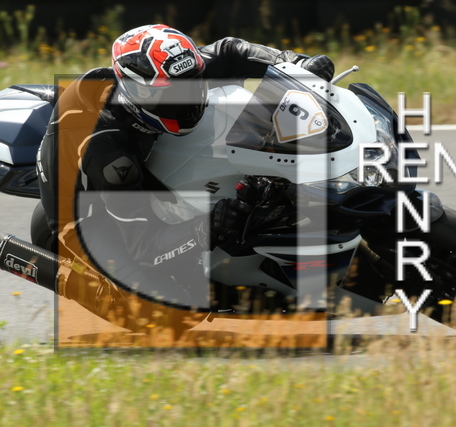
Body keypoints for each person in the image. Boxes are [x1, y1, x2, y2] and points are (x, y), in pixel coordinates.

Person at [35, 24, 335, 313]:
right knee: (171, 312)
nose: (190, 100)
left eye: (194, 84)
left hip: (141, 166)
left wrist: (296, 63)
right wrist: (205, 228)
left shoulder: (173, 72)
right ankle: (65, 277)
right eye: (174, 95)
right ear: (139, 94)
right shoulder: (110, 154)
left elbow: (230, 51)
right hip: (87, 214)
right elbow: (145, 245)